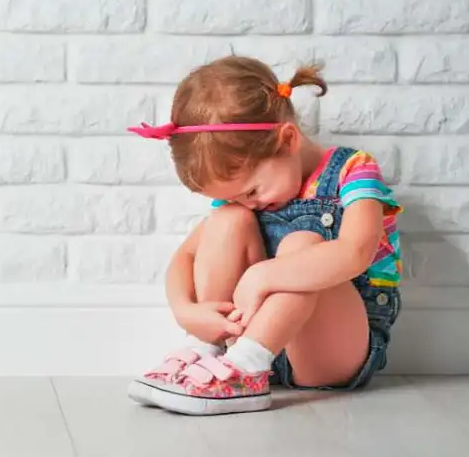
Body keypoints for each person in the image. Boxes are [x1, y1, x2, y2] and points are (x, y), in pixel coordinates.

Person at [126, 56, 402, 416]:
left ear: (287, 140)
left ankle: (246, 366)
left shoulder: (353, 170)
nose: (249, 202)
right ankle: (207, 352)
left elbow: (356, 253)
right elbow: (186, 256)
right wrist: (186, 311)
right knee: (227, 220)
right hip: (246, 348)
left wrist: (263, 275)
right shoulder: (242, 201)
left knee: (303, 244)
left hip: (331, 350)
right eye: (238, 195)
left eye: (252, 191)